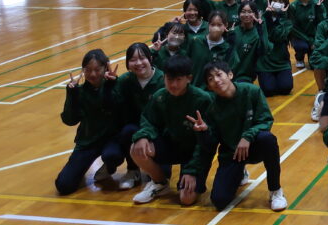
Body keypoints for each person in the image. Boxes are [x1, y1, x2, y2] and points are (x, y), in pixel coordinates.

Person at [190, 60, 287, 211]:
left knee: (268, 139)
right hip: (232, 153)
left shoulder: (251, 91)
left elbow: (265, 120)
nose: (216, 80)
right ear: (209, 87)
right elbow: (210, 144)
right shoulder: (211, 106)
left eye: (219, 75)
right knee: (219, 200)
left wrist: (247, 136)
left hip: (254, 146)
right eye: (210, 79)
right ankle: (240, 172)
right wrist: (204, 131)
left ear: (230, 75)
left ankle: (275, 190)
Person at [130, 54, 213, 205]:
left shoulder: (202, 99)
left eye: (178, 80)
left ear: (189, 78)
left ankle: (189, 176)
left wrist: (191, 170)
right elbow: (148, 120)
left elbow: (206, 144)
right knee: (137, 148)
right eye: (169, 79)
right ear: (164, 78)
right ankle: (160, 183)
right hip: (172, 146)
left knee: (186, 199)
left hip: (194, 153)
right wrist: (143, 135)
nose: (173, 85)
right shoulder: (160, 97)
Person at [55, 49, 120, 195]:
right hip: (88, 142)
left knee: (113, 154)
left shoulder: (114, 84)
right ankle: (79, 170)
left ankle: (108, 167)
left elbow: (114, 107)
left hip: (111, 140)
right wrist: (71, 95)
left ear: (105, 68)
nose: (93, 74)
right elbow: (70, 120)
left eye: (97, 69)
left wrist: (110, 87)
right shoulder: (79, 91)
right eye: (88, 70)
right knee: (64, 186)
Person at [112, 43, 166, 189]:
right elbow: (113, 103)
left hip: (159, 131)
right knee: (127, 131)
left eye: (142, 58)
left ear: (150, 59)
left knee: (164, 173)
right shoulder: (125, 80)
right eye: (133, 60)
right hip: (136, 129)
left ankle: (152, 168)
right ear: (127, 63)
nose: (138, 63)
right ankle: (132, 170)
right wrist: (110, 84)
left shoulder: (163, 80)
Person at [258, 0, 295, 96]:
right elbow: (264, 35)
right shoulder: (262, 17)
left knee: (286, 88)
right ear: (270, 2)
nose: (277, 3)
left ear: (286, 5)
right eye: (275, 0)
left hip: (281, 61)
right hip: (265, 62)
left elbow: (278, 36)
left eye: (281, 2)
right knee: (268, 90)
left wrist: (281, 16)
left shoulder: (287, 21)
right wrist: (267, 16)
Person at [288, 0, 322, 70]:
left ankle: (311, 54)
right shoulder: (293, 6)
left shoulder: (317, 4)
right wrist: (309, 41)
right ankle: (299, 58)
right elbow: (293, 28)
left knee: (314, 66)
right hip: (299, 37)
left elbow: (322, 24)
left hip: (314, 37)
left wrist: (315, 41)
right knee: (302, 46)